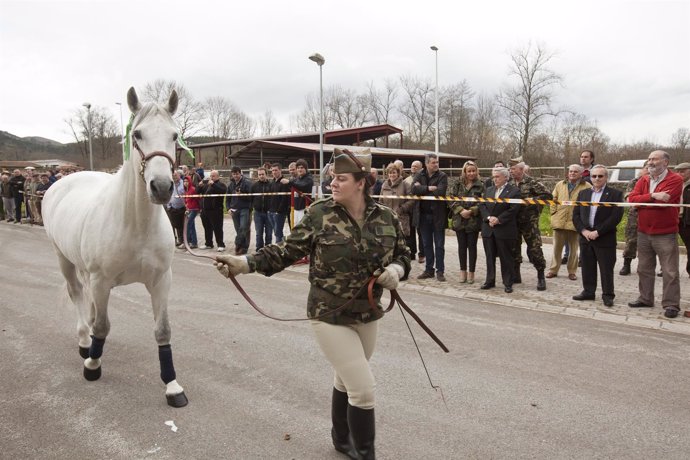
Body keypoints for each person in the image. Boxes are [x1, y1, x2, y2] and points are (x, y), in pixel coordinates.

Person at [215, 148, 411, 460]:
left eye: (341, 179)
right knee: (363, 389)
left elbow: (404, 253)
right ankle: (364, 453)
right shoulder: (320, 214)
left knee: (346, 378)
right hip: (328, 314)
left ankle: (341, 439)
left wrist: (396, 270)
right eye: (332, 177)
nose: (332, 183)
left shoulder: (386, 218)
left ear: (361, 183)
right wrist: (244, 263)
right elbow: (284, 251)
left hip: (367, 313)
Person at [627, 150, 684, 318]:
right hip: (643, 231)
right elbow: (632, 200)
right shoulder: (643, 179)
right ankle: (645, 298)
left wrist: (644, 201)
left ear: (665, 162)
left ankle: (671, 304)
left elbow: (664, 201)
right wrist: (652, 195)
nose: (650, 162)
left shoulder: (675, 179)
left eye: (655, 159)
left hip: (665, 232)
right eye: (649, 159)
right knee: (644, 268)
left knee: (670, 271)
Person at [572, 165, 624, 307]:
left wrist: (598, 232)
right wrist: (584, 231)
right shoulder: (583, 194)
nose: (596, 179)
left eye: (600, 176)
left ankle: (608, 295)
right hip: (586, 237)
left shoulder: (616, 194)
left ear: (606, 177)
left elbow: (616, 217)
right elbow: (576, 215)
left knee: (606, 268)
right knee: (587, 266)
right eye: (594, 176)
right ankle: (588, 291)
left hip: (604, 238)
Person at [509, 160, 552, 290]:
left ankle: (541, 277)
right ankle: (516, 275)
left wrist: (534, 200)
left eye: (513, 168)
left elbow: (548, 195)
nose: (511, 171)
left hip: (529, 222)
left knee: (535, 249)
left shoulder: (532, 182)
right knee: (514, 248)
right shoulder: (509, 183)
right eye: (510, 169)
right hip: (513, 221)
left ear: (521, 170)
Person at [479, 167, 520, 292]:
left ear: (505, 177)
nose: (494, 179)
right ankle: (490, 280)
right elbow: (482, 205)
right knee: (489, 256)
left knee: (506, 257)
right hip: (489, 229)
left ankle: (508, 282)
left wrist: (499, 219)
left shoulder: (514, 191)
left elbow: (513, 209)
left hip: (504, 229)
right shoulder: (489, 190)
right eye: (493, 177)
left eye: (497, 177)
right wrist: (489, 218)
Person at [546, 165, 591, 280]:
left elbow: (589, 205)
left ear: (581, 174)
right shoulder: (560, 184)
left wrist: (583, 219)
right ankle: (553, 270)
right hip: (559, 221)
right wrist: (554, 213)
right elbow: (553, 200)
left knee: (573, 250)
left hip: (576, 223)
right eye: (570, 171)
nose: (572, 173)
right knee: (557, 248)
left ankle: (572, 271)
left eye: (575, 172)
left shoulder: (587, 186)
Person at [412, 153, 448, 281]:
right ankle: (429, 270)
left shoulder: (442, 176)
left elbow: (440, 191)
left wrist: (422, 188)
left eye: (437, 162)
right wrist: (429, 188)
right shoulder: (419, 174)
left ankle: (440, 271)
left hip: (437, 216)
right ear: (427, 163)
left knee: (439, 245)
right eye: (433, 163)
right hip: (422, 216)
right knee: (426, 244)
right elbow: (413, 190)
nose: (436, 165)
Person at [449, 160, 484, 284]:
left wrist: (472, 211)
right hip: (459, 220)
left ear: (477, 171)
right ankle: (462, 271)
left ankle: (471, 273)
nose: (471, 173)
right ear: (464, 172)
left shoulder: (481, 185)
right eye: (469, 171)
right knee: (462, 247)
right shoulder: (457, 183)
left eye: (473, 171)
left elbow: (483, 202)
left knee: (472, 247)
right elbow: (450, 198)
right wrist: (460, 210)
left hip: (473, 221)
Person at [380, 162, 414, 280]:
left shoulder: (405, 184)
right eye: (390, 173)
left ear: (398, 173)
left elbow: (411, 200)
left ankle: (405, 268)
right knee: (389, 244)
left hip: (401, 218)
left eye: (394, 172)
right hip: (387, 218)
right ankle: (390, 270)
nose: (392, 175)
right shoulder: (384, 184)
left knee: (403, 246)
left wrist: (402, 209)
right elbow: (380, 200)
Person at [619, 161, 650, 275]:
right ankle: (626, 264)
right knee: (631, 241)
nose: (649, 170)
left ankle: (646, 267)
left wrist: (640, 198)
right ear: (642, 169)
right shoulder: (634, 182)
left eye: (652, 167)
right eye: (647, 168)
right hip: (635, 215)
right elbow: (630, 198)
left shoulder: (658, 182)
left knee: (652, 242)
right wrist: (648, 198)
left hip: (653, 216)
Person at [197, 170, 227, 251]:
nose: (211, 177)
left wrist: (213, 185)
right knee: (207, 228)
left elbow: (223, 191)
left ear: (217, 176)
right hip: (205, 210)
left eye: (213, 176)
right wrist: (199, 186)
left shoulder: (221, 185)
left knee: (217, 228)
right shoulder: (207, 185)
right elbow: (197, 192)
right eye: (211, 176)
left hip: (216, 210)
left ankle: (221, 244)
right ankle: (208, 243)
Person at [227, 166, 252, 255]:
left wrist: (241, 195)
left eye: (237, 174)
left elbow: (251, 197)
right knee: (238, 229)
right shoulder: (231, 184)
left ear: (240, 173)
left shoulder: (247, 183)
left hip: (244, 209)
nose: (235, 176)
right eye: (234, 174)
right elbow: (228, 198)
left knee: (243, 228)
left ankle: (241, 246)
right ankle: (241, 246)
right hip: (234, 210)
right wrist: (228, 208)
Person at [403, 160, 425, 264]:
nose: (413, 168)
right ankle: (412, 253)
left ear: (421, 168)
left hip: (420, 209)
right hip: (410, 209)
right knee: (410, 233)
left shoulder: (424, 178)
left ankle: (422, 254)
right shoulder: (406, 180)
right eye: (412, 166)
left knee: (421, 233)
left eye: (416, 166)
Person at [281, 159, 313, 227]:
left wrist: (289, 182)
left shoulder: (309, 178)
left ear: (306, 168)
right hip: (295, 208)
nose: (299, 170)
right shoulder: (297, 179)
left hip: (304, 208)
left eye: (302, 168)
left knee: (303, 229)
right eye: (298, 168)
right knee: (294, 229)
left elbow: (302, 186)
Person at [251, 167, 273, 250]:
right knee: (259, 233)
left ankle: (268, 250)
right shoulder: (254, 186)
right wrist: (254, 206)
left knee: (269, 233)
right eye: (259, 174)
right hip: (258, 213)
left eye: (263, 174)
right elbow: (251, 198)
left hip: (269, 213)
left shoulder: (271, 185)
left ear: (266, 175)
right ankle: (259, 249)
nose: (261, 176)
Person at [268, 163, 290, 243]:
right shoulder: (272, 182)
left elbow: (285, 198)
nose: (274, 172)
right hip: (270, 211)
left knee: (278, 233)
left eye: (276, 170)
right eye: (272, 170)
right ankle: (282, 244)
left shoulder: (284, 182)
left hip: (279, 213)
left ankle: (278, 250)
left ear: (280, 170)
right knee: (276, 232)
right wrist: (269, 210)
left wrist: (279, 211)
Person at [676, 162, 690, 279]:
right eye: (678, 171)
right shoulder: (675, 184)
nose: (680, 173)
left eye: (683, 171)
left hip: (686, 220)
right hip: (674, 218)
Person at [165, 171, 186, 248]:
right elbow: (169, 194)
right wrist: (169, 206)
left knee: (181, 226)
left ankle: (182, 240)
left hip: (182, 208)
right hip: (172, 208)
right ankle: (174, 240)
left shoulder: (183, 183)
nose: (174, 176)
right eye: (173, 175)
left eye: (176, 175)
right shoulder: (171, 184)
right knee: (173, 225)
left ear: (179, 175)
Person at [183, 176, 200, 249]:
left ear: (190, 182)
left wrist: (199, 208)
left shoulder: (193, 190)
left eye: (187, 181)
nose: (185, 183)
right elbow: (186, 200)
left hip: (194, 209)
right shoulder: (186, 191)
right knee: (192, 226)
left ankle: (189, 241)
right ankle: (193, 242)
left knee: (188, 224)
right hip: (189, 209)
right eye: (184, 181)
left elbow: (198, 198)